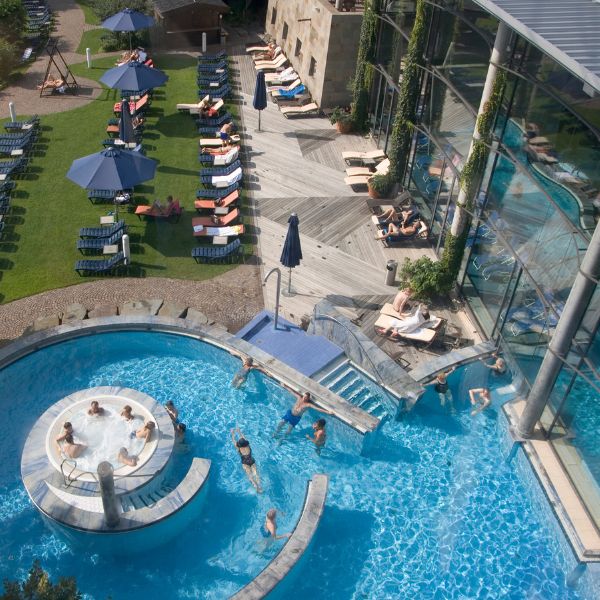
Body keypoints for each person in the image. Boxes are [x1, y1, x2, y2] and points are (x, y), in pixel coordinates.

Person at [231, 427, 262, 493]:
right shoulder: (248, 445)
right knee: (255, 473)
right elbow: (244, 437)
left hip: (245, 463)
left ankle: (254, 485)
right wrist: (239, 432)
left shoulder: (238, 448)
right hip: (252, 460)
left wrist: (232, 433)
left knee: (249, 475)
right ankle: (259, 486)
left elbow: (233, 440)